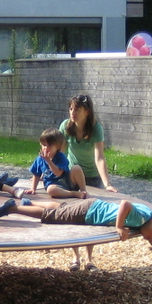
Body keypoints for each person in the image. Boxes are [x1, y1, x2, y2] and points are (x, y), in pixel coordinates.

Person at [0, 196, 152, 265]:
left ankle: (29, 203)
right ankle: (13, 208)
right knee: (52, 216)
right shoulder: (141, 220)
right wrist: (119, 226)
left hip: (93, 206)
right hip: (89, 213)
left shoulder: (148, 216)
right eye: (149, 238)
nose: (144, 239)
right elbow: (125, 204)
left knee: (62, 208)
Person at [60, 93, 119, 268]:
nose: (72, 112)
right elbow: (61, 154)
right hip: (72, 175)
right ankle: (75, 257)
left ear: (87, 112)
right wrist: (51, 174)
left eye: (77, 109)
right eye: (71, 109)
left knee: (90, 217)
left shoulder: (96, 129)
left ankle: (89, 259)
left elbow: (99, 157)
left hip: (91, 177)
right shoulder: (65, 126)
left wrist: (107, 184)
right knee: (73, 215)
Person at [28, 127, 89, 199]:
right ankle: (73, 194)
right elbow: (36, 174)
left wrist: (49, 161)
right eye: (44, 145)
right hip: (54, 185)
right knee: (51, 190)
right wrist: (33, 188)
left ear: (58, 146)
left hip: (67, 181)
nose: (46, 148)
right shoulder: (40, 159)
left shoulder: (61, 156)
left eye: (50, 145)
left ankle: (83, 191)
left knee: (76, 168)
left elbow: (58, 173)